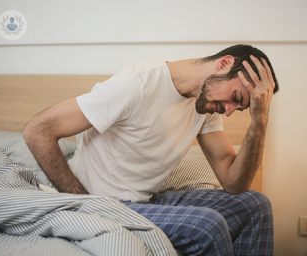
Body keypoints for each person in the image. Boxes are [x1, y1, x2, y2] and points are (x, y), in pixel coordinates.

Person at [23, 44, 279, 256]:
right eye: (235, 98)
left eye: (240, 108)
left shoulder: (205, 106)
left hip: (145, 202)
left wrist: (259, 119)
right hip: (107, 203)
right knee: (207, 226)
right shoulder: (136, 84)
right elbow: (38, 130)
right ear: (224, 64)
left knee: (255, 205)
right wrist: (86, 203)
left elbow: (233, 182)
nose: (230, 111)